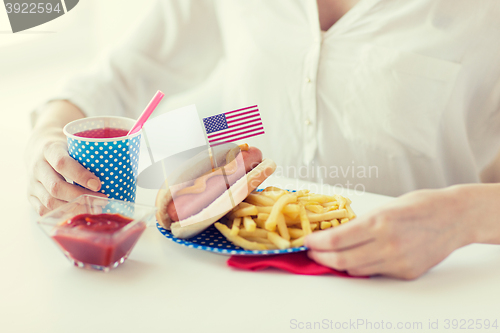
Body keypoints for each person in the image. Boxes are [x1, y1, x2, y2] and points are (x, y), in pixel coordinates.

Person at [25, 0, 500, 279]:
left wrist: (462, 217)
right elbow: (111, 79)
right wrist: (45, 144)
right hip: (240, 275)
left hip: (429, 282)